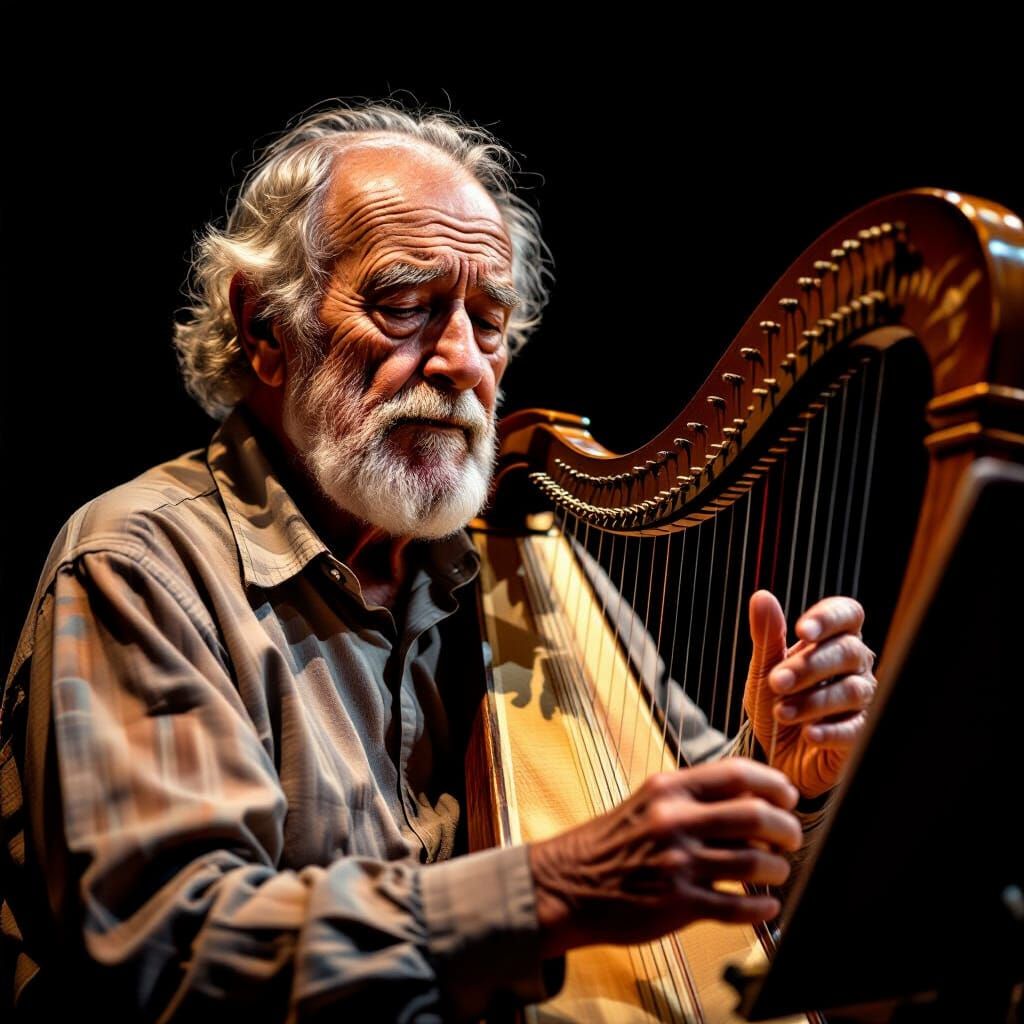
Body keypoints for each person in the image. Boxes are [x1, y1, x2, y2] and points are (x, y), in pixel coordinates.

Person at [0, 99, 877, 1022]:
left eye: (488, 322)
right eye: (406, 308)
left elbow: (708, 884)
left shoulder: (520, 568)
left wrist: (784, 776)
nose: (462, 362)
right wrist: (552, 888)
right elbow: (169, 956)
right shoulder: (140, 563)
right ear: (265, 329)